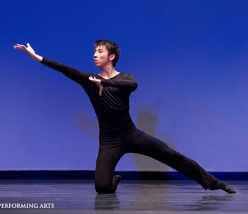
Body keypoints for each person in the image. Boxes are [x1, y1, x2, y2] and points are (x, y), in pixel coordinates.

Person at [13, 39, 236, 194]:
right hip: (109, 140)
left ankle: (214, 183)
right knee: (101, 187)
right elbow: (64, 68)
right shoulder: (88, 79)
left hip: (131, 134)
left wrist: (105, 82)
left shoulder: (124, 78)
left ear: (112, 56)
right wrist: (37, 57)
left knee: (171, 155)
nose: (94, 55)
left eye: (99, 51)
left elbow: (133, 84)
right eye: (94, 52)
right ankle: (113, 180)